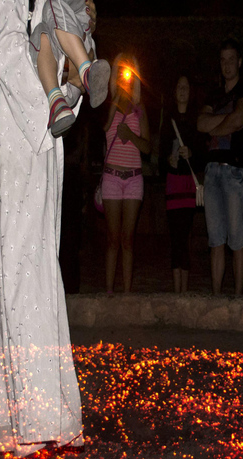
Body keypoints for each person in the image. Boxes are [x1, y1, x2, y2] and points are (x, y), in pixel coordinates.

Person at [0, 0, 83, 457]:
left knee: (30, 275)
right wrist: (53, 103)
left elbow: (38, 50)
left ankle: (28, 418)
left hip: (28, 144)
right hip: (12, 143)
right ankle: (30, 422)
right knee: (20, 279)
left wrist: (71, 77)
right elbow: (6, 52)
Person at [197, 38, 243, 295]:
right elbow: (200, 123)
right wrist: (226, 122)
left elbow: (240, 119)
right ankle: (217, 298)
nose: (227, 64)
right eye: (223, 60)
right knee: (216, 239)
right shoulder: (214, 93)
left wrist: (216, 126)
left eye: (232, 59)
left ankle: (239, 297)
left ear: (239, 62)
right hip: (211, 172)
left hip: (235, 171)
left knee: (236, 238)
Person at [102, 53, 151, 294]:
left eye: (129, 73)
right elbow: (101, 131)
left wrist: (130, 136)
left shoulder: (140, 109)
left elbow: (148, 147)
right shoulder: (108, 103)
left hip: (133, 178)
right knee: (112, 238)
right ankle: (109, 291)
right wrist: (114, 109)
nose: (125, 76)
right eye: (121, 72)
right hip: (111, 176)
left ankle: (127, 295)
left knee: (127, 239)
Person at [28, 0, 109, 137]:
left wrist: (90, 20)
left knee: (52, 6)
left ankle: (86, 73)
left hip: (75, 73)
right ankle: (58, 103)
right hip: (57, 91)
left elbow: (85, 18)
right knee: (41, 32)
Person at [161, 75, 201, 293]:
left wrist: (192, 153)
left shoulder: (196, 120)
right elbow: (159, 156)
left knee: (185, 235)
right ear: (174, 91)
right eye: (179, 86)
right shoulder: (168, 119)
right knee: (175, 237)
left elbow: (202, 154)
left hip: (188, 185)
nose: (183, 91)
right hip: (172, 184)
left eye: (186, 87)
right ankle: (176, 291)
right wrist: (168, 159)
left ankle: (184, 291)